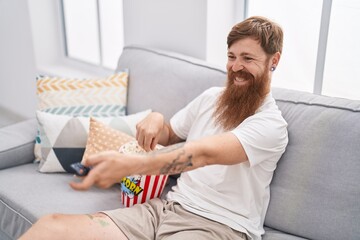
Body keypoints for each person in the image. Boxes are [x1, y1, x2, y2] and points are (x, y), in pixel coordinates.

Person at [19, 16, 288, 240]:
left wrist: (130, 165)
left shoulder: (271, 126)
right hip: (163, 209)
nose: (236, 67)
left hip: (217, 226)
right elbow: (170, 134)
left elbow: (205, 154)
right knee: (50, 228)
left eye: (248, 58)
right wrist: (157, 119)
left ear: (273, 61)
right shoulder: (212, 98)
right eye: (231, 57)